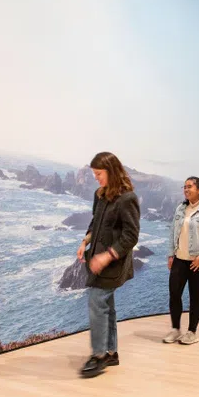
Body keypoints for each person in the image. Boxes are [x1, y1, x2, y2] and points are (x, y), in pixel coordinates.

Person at [76, 152, 140, 377]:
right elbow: (96, 221)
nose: (95, 178)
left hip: (112, 263)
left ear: (111, 172)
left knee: (97, 303)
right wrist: (85, 241)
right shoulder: (100, 194)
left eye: (99, 173)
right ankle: (111, 352)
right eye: (94, 174)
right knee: (107, 306)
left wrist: (106, 256)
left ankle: (99, 355)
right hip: (96, 258)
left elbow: (131, 236)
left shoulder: (127, 198)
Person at [163, 176, 199, 345]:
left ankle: (191, 332)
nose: (186, 189)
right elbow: (172, 232)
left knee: (195, 295)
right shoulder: (180, 209)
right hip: (179, 259)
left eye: (189, 186)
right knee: (174, 294)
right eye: (184, 187)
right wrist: (170, 255)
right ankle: (175, 330)